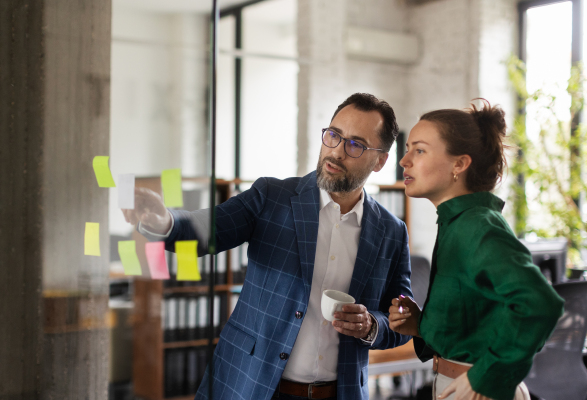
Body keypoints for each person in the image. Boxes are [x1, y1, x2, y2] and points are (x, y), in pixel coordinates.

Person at [123, 93, 413, 400]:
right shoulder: (271, 196)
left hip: (339, 393)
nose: (337, 151)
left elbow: (401, 319)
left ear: (380, 160)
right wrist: (164, 221)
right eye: (333, 135)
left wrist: (371, 326)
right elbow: (207, 230)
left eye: (355, 145)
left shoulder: (391, 232)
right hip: (250, 386)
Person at [388, 100, 564, 400]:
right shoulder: (457, 224)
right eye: (407, 150)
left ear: (459, 164)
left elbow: (540, 303)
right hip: (454, 383)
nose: (404, 161)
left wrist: (486, 375)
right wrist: (423, 325)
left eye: (419, 150)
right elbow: (475, 323)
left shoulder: (477, 227)